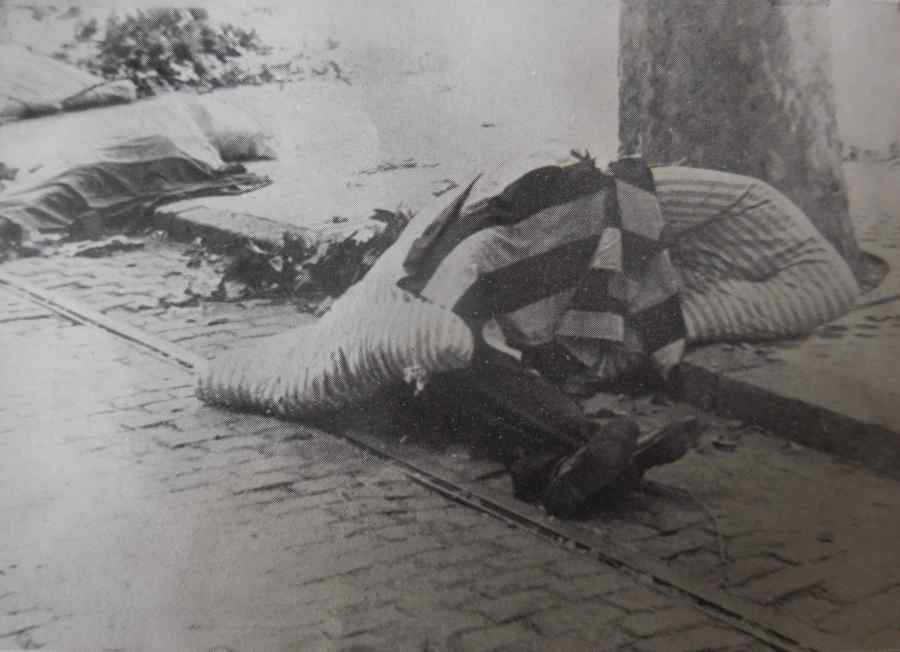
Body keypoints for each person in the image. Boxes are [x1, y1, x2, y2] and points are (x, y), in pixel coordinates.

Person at [399, 153, 705, 517]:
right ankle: (593, 455)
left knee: (503, 402)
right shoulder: (452, 265)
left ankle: (568, 469)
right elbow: (443, 335)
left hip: (461, 358)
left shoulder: (472, 232)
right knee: (485, 383)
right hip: (433, 373)